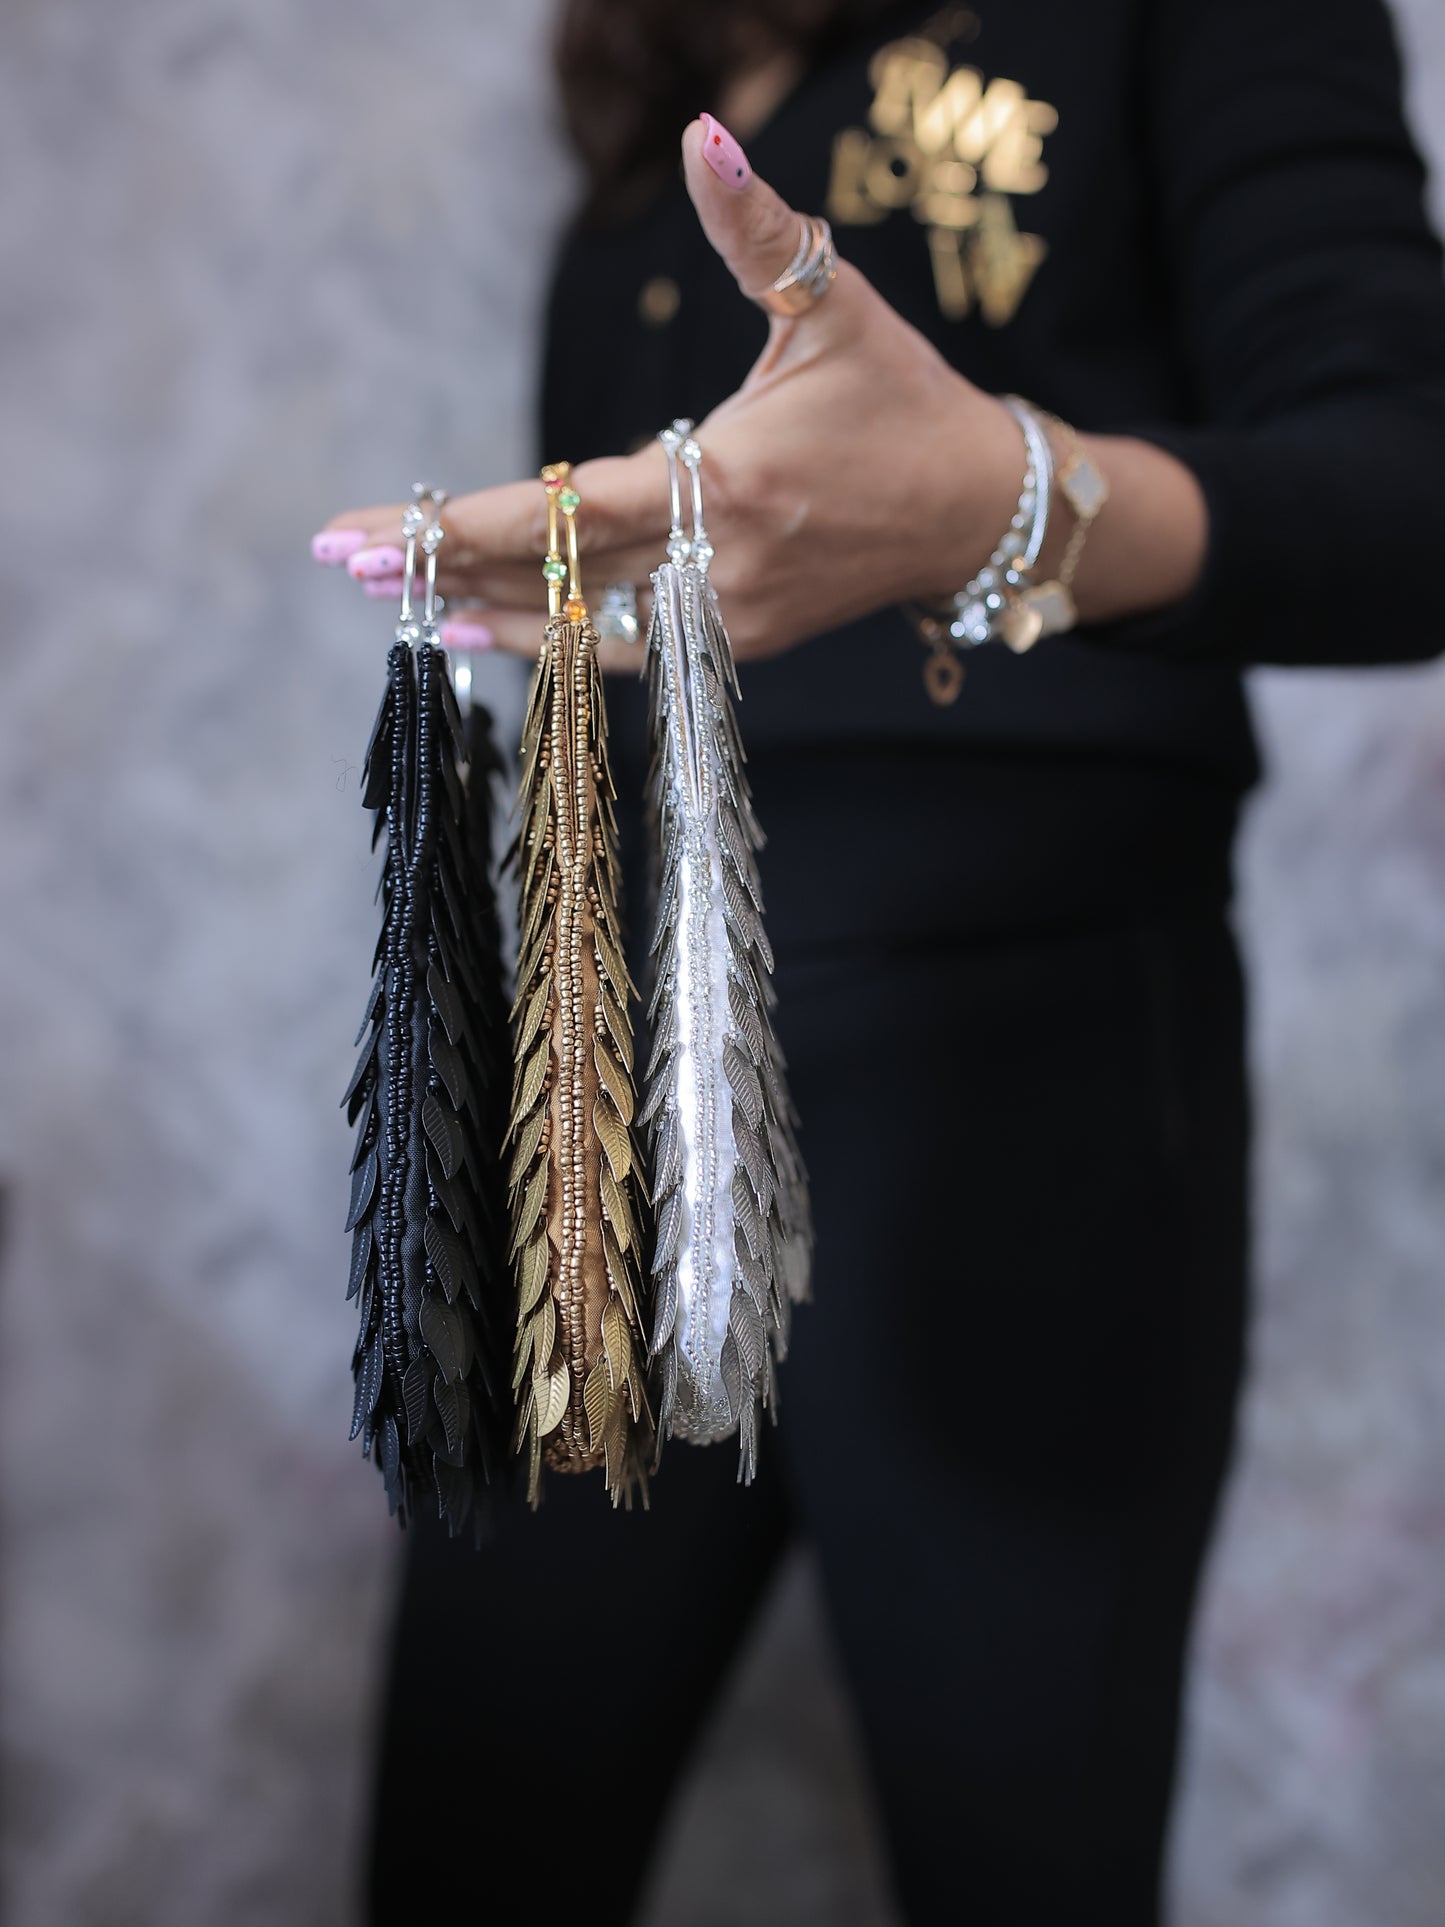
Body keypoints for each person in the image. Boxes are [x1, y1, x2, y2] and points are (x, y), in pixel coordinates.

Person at [311, 2, 1445, 1920]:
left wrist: (1003, 500)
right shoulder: (651, 85)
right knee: (469, 1849)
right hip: (608, 1081)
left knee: (1021, 1863)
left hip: (1029, 1059)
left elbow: (1410, 488)